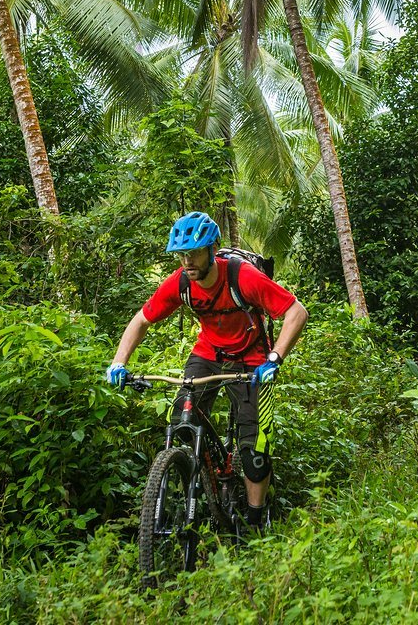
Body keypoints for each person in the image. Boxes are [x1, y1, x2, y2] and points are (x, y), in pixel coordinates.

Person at [105, 211, 308, 530]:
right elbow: (141, 320)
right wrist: (119, 361)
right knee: (182, 420)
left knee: (254, 454)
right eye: (182, 254)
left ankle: (255, 524)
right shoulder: (181, 282)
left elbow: (296, 312)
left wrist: (275, 358)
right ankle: (200, 481)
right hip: (208, 353)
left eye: (195, 252)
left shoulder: (243, 277)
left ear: (212, 250)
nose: (187, 261)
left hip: (251, 358)